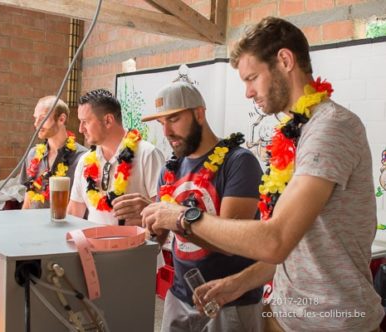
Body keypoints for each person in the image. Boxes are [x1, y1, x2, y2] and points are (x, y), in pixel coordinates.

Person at [142, 16, 384, 331]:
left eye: (251, 77)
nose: (247, 92)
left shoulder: (332, 127)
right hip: (282, 315)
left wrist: (182, 217)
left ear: (285, 60)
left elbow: (276, 240)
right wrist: (238, 283)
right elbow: (295, 247)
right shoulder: (297, 133)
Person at [140, 77, 263, 331]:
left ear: (199, 114)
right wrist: (147, 222)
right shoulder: (169, 170)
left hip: (230, 302)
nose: (166, 132)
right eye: (162, 123)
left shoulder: (239, 162)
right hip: (178, 296)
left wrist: (176, 217)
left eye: (173, 119)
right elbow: (161, 238)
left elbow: (231, 242)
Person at [67, 89, 164, 226]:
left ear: (108, 120)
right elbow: (74, 212)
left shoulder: (147, 154)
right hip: (94, 246)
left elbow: (163, 214)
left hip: (135, 246)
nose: (80, 129)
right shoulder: (85, 161)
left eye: (85, 122)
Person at [19, 96, 87, 209]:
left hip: (67, 225)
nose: (36, 124)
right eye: (35, 118)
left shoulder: (82, 157)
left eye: (42, 118)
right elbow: (28, 196)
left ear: (61, 119)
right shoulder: (33, 154)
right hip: (34, 224)